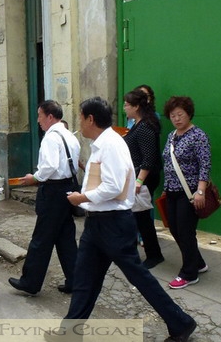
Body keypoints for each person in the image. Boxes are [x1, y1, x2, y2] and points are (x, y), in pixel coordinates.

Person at [47, 97, 196, 342]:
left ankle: (181, 323)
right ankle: (69, 333)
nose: (79, 124)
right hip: (97, 223)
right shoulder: (102, 143)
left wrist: (82, 197)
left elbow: (113, 187)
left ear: (90, 119)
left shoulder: (111, 144)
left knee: (139, 277)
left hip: (113, 224)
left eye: (81, 118)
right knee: (85, 280)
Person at [8, 100, 79, 295]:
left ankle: (30, 282)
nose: (38, 120)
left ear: (50, 116)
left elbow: (50, 166)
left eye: (39, 116)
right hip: (67, 188)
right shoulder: (69, 136)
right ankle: (75, 280)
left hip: (53, 190)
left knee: (41, 238)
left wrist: (35, 177)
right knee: (65, 238)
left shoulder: (50, 137)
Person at [162, 96, 210, 289]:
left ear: (189, 113)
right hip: (171, 190)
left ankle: (189, 273)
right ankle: (198, 262)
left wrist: (200, 191)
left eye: (180, 114)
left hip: (189, 192)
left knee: (185, 231)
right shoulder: (172, 136)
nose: (176, 118)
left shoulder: (198, 135)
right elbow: (168, 161)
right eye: (173, 115)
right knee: (174, 228)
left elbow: (204, 165)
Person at [123, 89, 165, 269]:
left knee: (142, 218)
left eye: (127, 105)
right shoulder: (138, 124)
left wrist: (139, 182)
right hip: (138, 176)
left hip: (144, 178)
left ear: (136, 107)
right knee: (137, 216)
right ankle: (142, 251)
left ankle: (154, 255)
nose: (124, 108)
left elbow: (149, 158)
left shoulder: (145, 127)